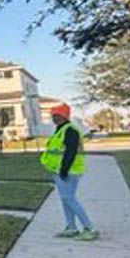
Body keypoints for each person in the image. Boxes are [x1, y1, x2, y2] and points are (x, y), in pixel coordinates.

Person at [40, 103, 99, 240]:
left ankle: (90, 228)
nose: (54, 118)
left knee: (69, 199)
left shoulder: (70, 130)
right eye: (53, 116)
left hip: (69, 171)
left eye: (56, 115)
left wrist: (64, 170)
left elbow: (70, 152)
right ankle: (71, 227)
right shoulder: (60, 129)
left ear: (64, 115)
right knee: (65, 199)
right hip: (59, 170)